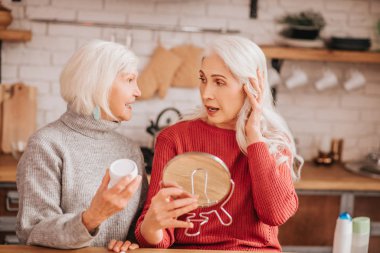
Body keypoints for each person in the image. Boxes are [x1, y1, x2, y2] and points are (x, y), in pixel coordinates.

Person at [16, 40, 148, 252]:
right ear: (99, 84)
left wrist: (132, 241)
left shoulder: (130, 149)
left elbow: (139, 224)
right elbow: (33, 230)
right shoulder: (46, 145)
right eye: (130, 80)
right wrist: (91, 218)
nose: (138, 92)